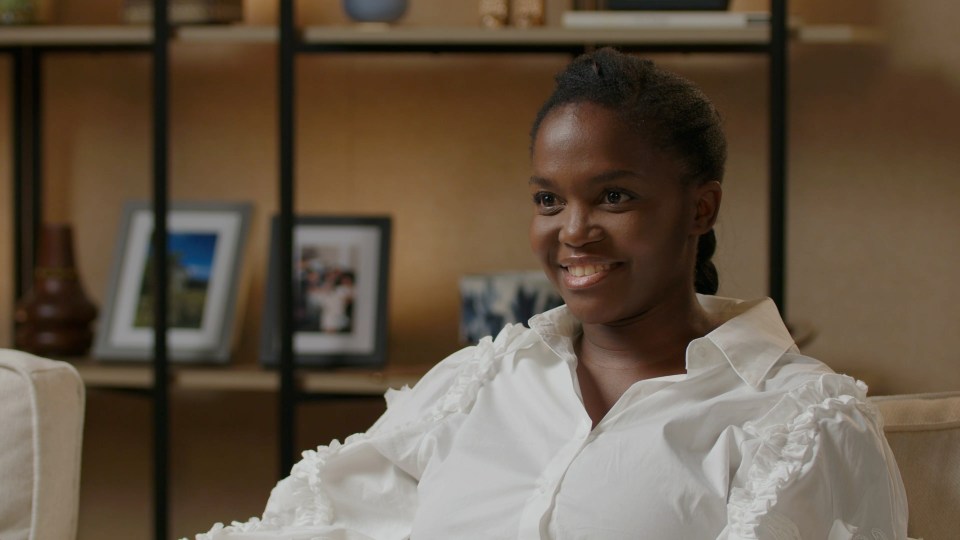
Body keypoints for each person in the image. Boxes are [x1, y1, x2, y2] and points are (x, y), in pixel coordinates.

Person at [193, 49, 908, 540]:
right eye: (548, 199)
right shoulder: (478, 386)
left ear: (700, 208)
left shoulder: (795, 423)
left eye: (614, 196)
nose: (574, 232)